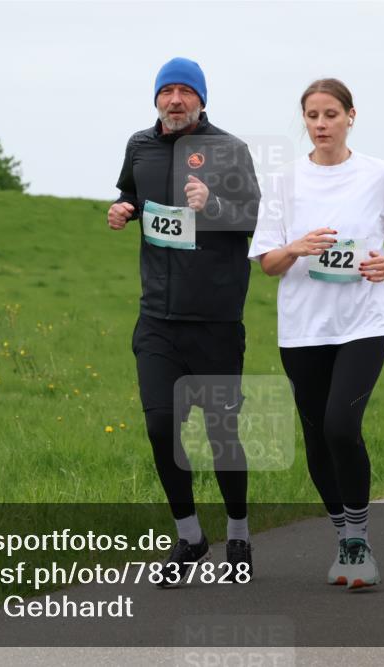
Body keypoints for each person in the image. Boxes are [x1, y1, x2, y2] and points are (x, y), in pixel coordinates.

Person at [247, 78, 384, 590]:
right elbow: (268, 265)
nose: (320, 124)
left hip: (364, 323)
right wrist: (297, 247)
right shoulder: (283, 181)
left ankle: (359, 540)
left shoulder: (378, 175)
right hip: (302, 328)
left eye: (330, 114)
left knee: (343, 427)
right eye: (311, 116)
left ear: (350, 116)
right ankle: (343, 536)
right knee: (318, 436)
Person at [108, 57, 261, 586]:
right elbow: (132, 191)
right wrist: (123, 209)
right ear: (156, 100)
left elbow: (256, 220)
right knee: (159, 427)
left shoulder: (230, 149)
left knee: (222, 434)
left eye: (185, 92)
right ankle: (191, 536)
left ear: (201, 99)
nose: (175, 100)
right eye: (166, 92)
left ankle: (238, 532)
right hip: (157, 319)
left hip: (215, 320)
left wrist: (213, 203)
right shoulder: (139, 145)